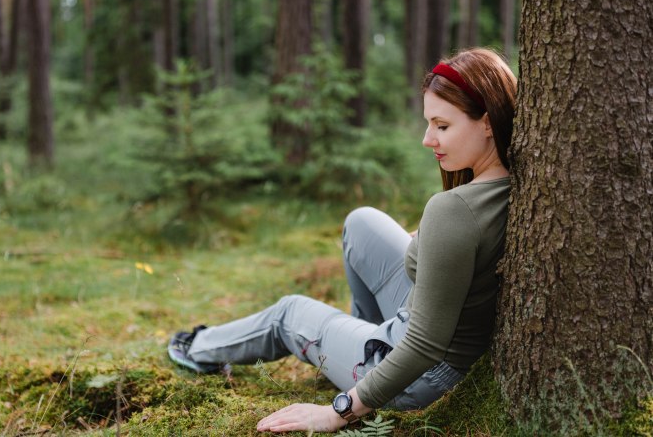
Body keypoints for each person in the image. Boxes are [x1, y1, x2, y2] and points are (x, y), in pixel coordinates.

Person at [167, 47, 517, 433]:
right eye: (427, 123)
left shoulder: (453, 210)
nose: (426, 139)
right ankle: (350, 343)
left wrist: (339, 411)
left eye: (441, 125)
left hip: (421, 371)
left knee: (289, 313)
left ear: (486, 122)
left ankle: (196, 349)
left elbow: (425, 345)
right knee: (361, 223)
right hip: (434, 324)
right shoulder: (512, 185)